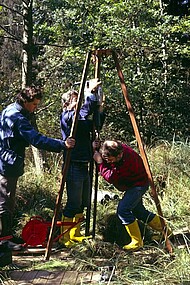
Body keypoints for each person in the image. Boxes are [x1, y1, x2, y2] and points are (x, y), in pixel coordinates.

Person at [0, 86, 75, 251]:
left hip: (6, 160)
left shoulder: (9, 109)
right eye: (34, 104)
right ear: (25, 101)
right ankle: (4, 241)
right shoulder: (17, 117)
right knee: (5, 201)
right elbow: (36, 139)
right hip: (7, 163)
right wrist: (62, 144)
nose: (35, 107)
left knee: (7, 200)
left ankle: (8, 236)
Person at [93, 140, 171, 251]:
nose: (108, 162)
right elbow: (109, 160)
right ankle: (167, 232)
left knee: (123, 210)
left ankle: (137, 242)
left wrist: (100, 163)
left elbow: (111, 177)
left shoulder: (127, 161)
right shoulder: (116, 149)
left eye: (110, 160)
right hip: (134, 184)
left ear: (119, 155)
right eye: (106, 159)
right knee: (139, 211)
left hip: (138, 185)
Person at [60, 78, 105, 247]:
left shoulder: (80, 118)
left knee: (83, 201)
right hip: (73, 165)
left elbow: (95, 123)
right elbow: (83, 112)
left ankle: (75, 233)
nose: (78, 102)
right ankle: (65, 237)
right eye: (74, 100)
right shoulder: (68, 116)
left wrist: (99, 107)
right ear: (66, 104)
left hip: (84, 163)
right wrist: (90, 94)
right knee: (73, 202)